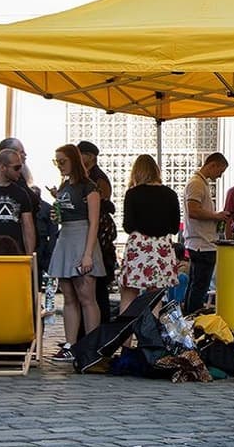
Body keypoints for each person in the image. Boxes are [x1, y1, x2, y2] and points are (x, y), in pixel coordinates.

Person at [46, 144, 106, 362]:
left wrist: (88, 253)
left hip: (82, 239)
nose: (59, 166)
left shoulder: (88, 188)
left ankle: (91, 344)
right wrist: (57, 216)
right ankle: (71, 343)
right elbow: (64, 214)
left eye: (62, 161)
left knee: (86, 296)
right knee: (69, 297)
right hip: (66, 238)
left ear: (73, 160)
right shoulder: (64, 186)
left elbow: (94, 222)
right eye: (57, 162)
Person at [120, 154, 181, 314]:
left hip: (138, 247)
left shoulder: (132, 194)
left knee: (128, 295)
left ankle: (124, 338)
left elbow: (128, 226)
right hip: (161, 247)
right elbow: (175, 227)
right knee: (155, 297)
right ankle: (150, 337)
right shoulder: (170, 194)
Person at [182, 152, 231, 314]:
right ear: (213, 165)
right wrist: (216, 216)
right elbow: (193, 211)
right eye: (220, 171)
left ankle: (190, 316)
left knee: (196, 285)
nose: (219, 176)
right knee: (199, 288)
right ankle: (193, 317)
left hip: (200, 243)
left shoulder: (200, 184)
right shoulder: (196, 184)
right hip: (202, 245)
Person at [78, 141, 119, 324]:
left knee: (98, 285)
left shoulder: (97, 179)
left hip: (98, 235)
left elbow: (100, 205)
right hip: (89, 233)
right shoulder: (84, 177)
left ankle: (98, 326)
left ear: (90, 157)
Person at [0, 148, 35, 256]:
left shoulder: (21, 193)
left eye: (21, 167)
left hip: (14, 253)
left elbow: (28, 227)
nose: (20, 171)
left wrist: (29, 258)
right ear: (2, 167)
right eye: (16, 167)